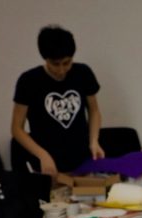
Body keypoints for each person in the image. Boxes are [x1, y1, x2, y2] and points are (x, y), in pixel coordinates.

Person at [12, 25, 104, 176]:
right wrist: (42, 155)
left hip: (82, 161)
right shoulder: (28, 81)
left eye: (67, 63)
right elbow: (17, 129)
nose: (61, 70)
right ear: (45, 58)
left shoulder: (83, 73)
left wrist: (94, 141)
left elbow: (94, 111)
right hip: (48, 165)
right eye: (55, 64)